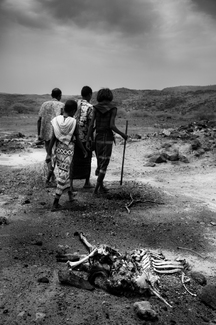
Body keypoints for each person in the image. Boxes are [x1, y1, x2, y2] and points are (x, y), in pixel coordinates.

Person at [46, 100, 87, 211]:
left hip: (58, 150)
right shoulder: (74, 122)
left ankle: (70, 195)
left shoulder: (56, 120)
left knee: (65, 172)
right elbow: (77, 139)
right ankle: (55, 202)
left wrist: (49, 153)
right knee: (63, 176)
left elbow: (53, 138)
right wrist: (84, 150)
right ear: (74, 111)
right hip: (68, 151)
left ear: (64, 109)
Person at [86, 88, 128, 195]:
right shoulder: (113, 108)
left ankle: (101, 187)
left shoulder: (95, 108)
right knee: (104, 164)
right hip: (107, 138)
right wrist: (123, 134)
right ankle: (96, 190)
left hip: (97, 137)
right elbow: (112, 126)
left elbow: (91, 125)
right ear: (109, 97)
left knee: (100, 162)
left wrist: (88, 139)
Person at [37, 88, 64, 186]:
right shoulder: (61, 105)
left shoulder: (44, 104)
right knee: (56, 154)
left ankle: (51, 174)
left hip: (45, 132)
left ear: (51, 95)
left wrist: (39, 135)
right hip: (56, 133)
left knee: (49, 153)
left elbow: (39, 120)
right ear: (59, 95)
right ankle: (51, 174)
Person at [70, 86, 94, 190]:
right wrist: (90, 139)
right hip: (84, 138)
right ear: (90, 94)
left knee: (73, 160)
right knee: (86, 159)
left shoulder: (75, 104)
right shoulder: (90, 107)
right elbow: (90, 125)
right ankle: (87, 182)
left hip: (73, 137)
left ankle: (70, 184)